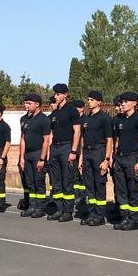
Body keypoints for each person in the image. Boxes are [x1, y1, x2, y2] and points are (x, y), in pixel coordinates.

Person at [111, 91, 138, 231]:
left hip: (133, 157)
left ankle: (134, 220)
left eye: (126, 102)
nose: (123, 104)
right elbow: (117, 141)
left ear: (134, 103)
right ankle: (124, 217)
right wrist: (114, 158)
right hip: (120, 158)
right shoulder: (120, 119)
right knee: (121, 190)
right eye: (122, 102)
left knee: (133, 189)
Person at [45, 83, 82, 222]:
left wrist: (73, 151)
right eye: (55, 94)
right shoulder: (55, 113)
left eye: (59, 94)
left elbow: (77, 132)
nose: (56, 96)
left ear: (65, 94)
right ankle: (59, 209)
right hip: (55, 148)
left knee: (67, 180)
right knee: (56, 181)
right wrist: (49, 152)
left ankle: (67, 211)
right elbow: (51, 133)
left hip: (67, 147)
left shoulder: (71, 111)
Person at [79, 90, 113, 227]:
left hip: (99, 152)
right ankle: (91, 213)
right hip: (87, 152)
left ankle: (100, 215)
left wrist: (106, 159)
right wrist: (81, 158)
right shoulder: (86, 119)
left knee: (99, 184)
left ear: (99, 102)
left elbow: (109, 140)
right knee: (89, 185)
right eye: (88, 99)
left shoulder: (104, 118)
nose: (89, 102)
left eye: (92, 99)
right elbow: (82, 139)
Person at [18, 93, 51, 219]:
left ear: (37, 104)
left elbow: (46, 140)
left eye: (29, 103)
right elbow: (23, 139)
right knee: (30, 182)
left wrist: (42, 159)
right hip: (28, 155)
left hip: (38, 153)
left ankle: (40, 207)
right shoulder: (24, 119)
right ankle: (31, 206)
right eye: (25, 103)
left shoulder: (44, 119)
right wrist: (21, 157)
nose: (26, 105)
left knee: (39, 182)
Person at [70, 99, 89, 220]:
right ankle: (76, 195)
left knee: (82, 175)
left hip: (82, 151)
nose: (76, 110)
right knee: (74, 175)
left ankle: (83, 196)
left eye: (77, 108)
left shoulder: (85, 120)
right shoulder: (73, 120)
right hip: (74, 151)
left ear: (82, 108)